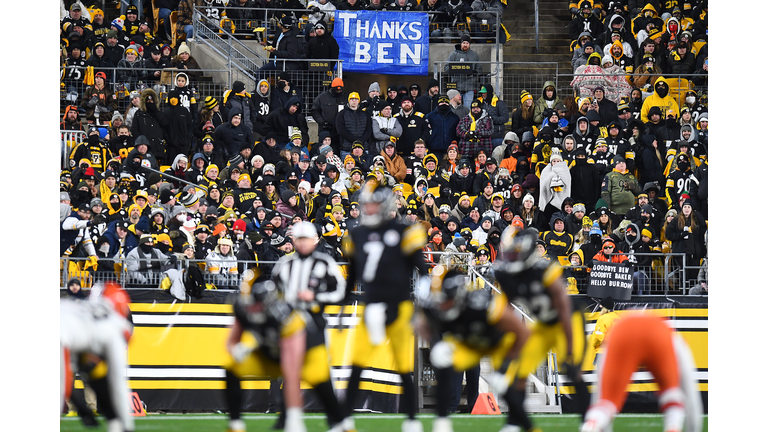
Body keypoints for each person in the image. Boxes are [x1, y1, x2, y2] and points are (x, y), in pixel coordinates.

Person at [340, 184, 432, 432]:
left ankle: (412, 420)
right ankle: (344, 420)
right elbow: (353, 275)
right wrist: (343, 301)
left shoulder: (404, 231)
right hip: (371, 307)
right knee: (357, 364)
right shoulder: (356, 235)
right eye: (366, 204)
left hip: (399, 307)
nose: (367, 208)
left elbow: (421, 269)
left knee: (403, 367)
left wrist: (424, 302)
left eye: (372, 204)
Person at [491, 229, 590, 431]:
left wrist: (570, 351)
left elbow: (564, 310)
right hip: (542, 326)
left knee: (573, 371)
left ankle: (590, 422)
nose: (510, 256)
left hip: (567, 322)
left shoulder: (545, 270)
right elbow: (505, 313)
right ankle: (514, 424)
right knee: (518, 374)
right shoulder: (507, 274)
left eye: (514, 252)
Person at [223, 277, 350, 432]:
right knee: (232, 368)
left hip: (305, 356)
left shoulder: (286, 317)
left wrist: (294, 418)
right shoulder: (242, 308)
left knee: (322, 385)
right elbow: (232, 341)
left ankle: (342, 424)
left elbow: (291, 371)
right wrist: (237, 349)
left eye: (256, 305)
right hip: (272, 354)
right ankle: (235, 424)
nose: (252, 309)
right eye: (248, 304)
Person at [415, 267, 530, 432]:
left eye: (444, 300)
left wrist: (504, 365)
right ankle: (441, 422)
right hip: (469, 345)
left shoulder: (482, 303)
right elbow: (422, 326)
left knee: (503, 385)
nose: (441, 306)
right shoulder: (435, 307)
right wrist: (434, 341)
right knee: (441, 357)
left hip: (497, 344)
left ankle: (524, 426)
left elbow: (522, 333)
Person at [580, 313, 703, 432]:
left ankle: (592, 424)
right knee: (672, 395)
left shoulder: (610, 321)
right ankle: (673, 427)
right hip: (657, 334)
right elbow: (692, 399)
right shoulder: (674, 338)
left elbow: (600, 398)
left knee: (606, 403)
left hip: (622, 333)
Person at [60, 282, 134, 432]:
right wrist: (126, 425)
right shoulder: (115, 326)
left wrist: (79, 405)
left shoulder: (76, 306)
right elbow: (117, 382)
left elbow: (78, 368)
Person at [445, 35, 482, 107]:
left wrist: (474, 72)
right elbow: (446, 67)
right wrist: (454, 70)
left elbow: (479, 69)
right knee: (454, 108)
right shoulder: (454, 54)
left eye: (467, 43)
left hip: (469, 87)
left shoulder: (474, 55)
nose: (465, 45)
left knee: (467, 109)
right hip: (456, 87)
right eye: (464, 43)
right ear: (461, 43)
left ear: (469, 44)